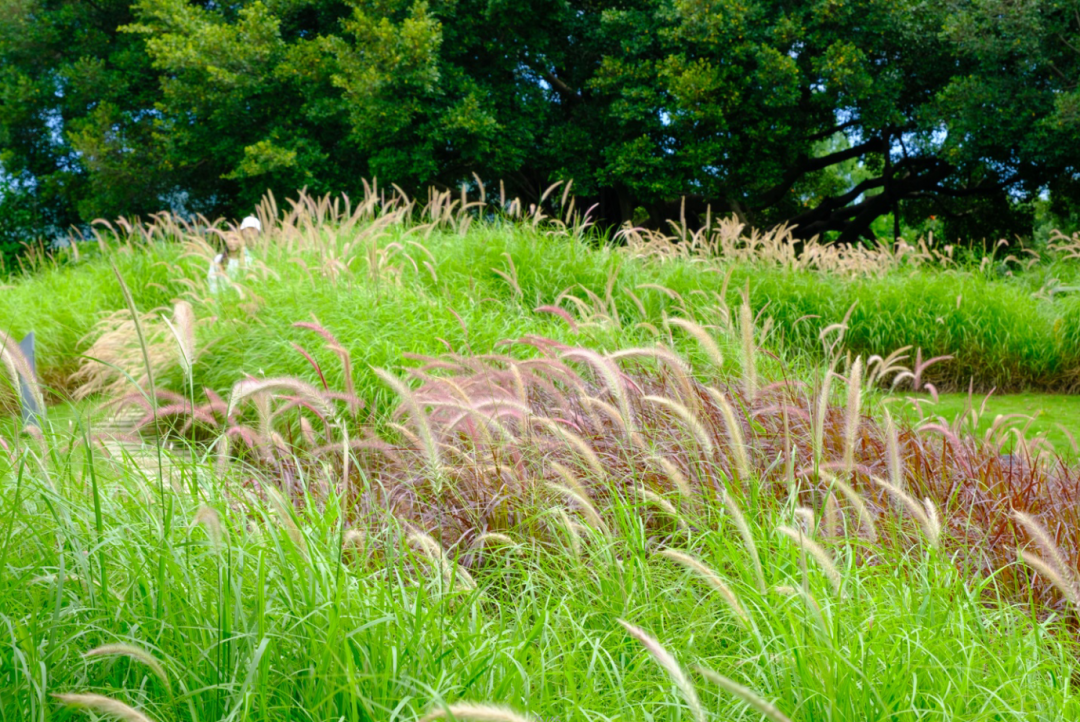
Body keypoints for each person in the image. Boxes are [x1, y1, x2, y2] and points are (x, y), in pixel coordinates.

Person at [207, 215, 261, 295]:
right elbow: (212, 280)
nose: (231, 242)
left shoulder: (249, 260)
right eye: (229, 239)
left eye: (235, 239)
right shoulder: (218, 259)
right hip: (220, 300)